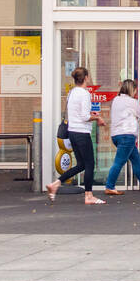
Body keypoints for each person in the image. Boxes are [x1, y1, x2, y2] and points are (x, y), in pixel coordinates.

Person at [48, 67, 106, 205]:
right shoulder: (84, 94)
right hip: (82, 133)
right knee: (90, 164)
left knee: (81, 165)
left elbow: (77, 112)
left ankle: (56, 183)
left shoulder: (72, 92)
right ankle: (89, 196)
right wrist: (97, 119)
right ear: (86, 77)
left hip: (72, 132)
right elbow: (85, 117)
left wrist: (92, 114)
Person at [103, 79, 140, 195]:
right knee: (119, 162)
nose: (136, 93)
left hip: (116, 135)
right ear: (131, 90)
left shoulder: (116, 100)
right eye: (135, 90)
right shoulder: (132, 102)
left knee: (136, 160)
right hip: (127, 136)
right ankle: (109, 186)